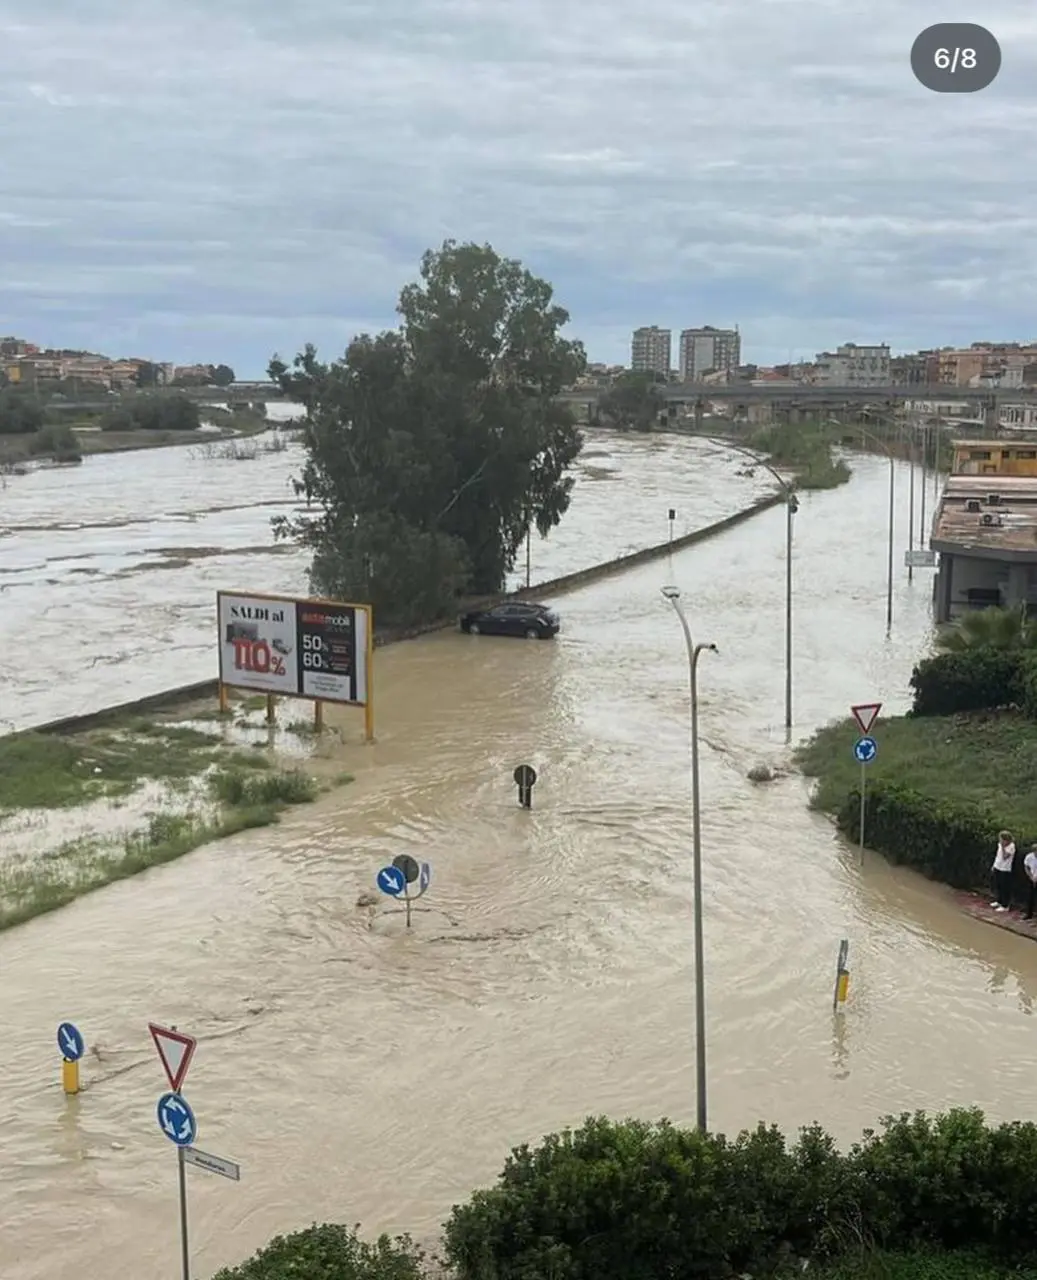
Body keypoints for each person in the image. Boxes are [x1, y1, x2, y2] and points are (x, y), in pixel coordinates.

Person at [991, 830, 1016, 912]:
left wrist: (1003, 847)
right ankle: (999, 901)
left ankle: (1005, 905)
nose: (1000, 841)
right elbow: (998, 856)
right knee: (998, 885)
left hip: (1005, 869)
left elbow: (1005, 857)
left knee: (1004, 887)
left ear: (1006, 840)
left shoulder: (1011, 847)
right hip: (998, 867)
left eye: (1001, 839)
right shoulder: (999, 845)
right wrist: (994, 866)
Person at [1025, 844, 1037, 921]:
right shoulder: (1029, 857)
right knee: (1030, 897)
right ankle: (1029, 914)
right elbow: (1026, 867)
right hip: (1032, 878)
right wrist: (1031, 877)